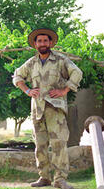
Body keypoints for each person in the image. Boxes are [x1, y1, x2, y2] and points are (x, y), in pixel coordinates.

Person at [12, 28, 82, 189]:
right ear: (35, 44)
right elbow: (17, 76)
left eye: (45, 41)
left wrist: (64, 90)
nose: (42, 43)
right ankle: (44, 177)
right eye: (39, 41)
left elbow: (77, 73)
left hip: (55, 110)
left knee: (59, 144)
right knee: (40, 145)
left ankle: (60, 179)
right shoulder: (31, 63)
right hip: (37, 110)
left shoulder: (60, 60)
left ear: (50, 43)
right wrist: (27, 90)